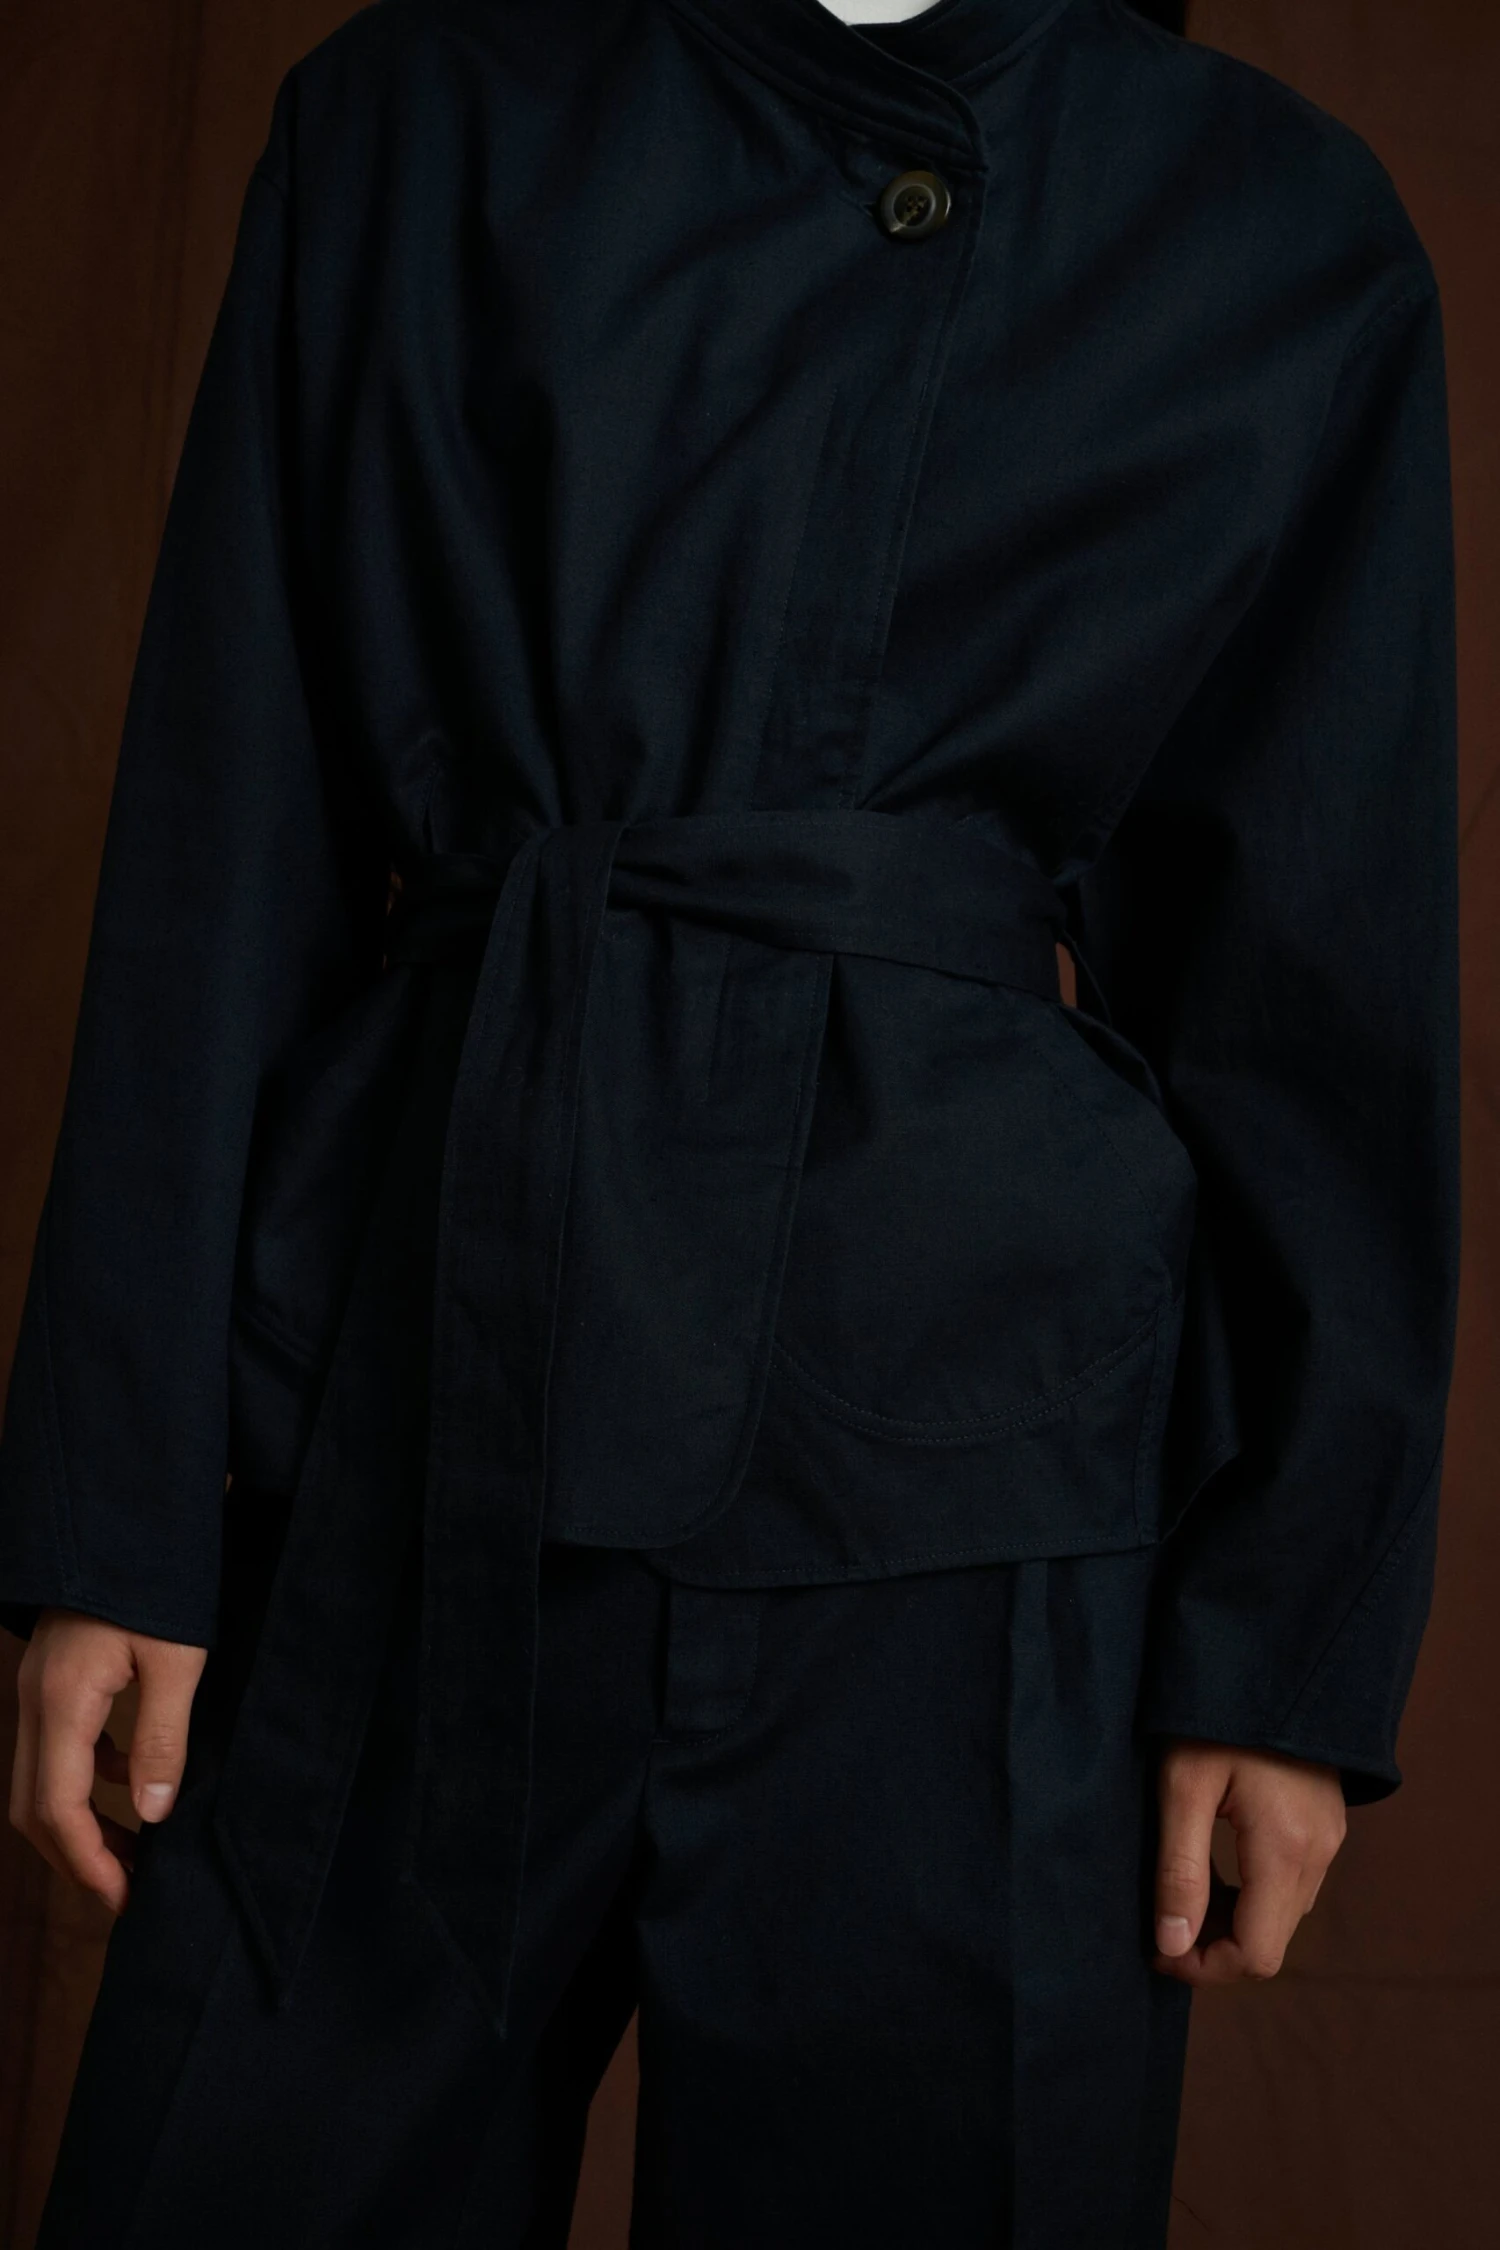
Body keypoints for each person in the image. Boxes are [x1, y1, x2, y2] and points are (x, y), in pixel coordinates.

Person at [1, 0, 1459, 2242]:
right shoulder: (414, 117)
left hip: (974, 1490)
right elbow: (228, 827)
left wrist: (1289, 1640)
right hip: (415, 1400)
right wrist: (113, 1517)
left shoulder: (1268, 220)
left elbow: (1319, 986)